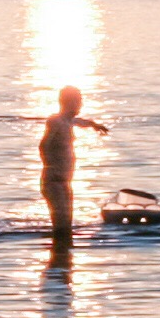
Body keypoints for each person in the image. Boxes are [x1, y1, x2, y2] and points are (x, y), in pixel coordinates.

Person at [38, 84, 109, 242]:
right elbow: (43, 145)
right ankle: (57, 264)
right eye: (78, 101)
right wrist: (51, 165)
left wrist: (94, 125)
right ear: (68, 102)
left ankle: (64, 262)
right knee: (61, 228)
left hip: (64, 182)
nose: (81, 105)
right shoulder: (56, 121)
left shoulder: (68, 121)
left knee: (66, 228)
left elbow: (79, 121)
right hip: (54, 181)